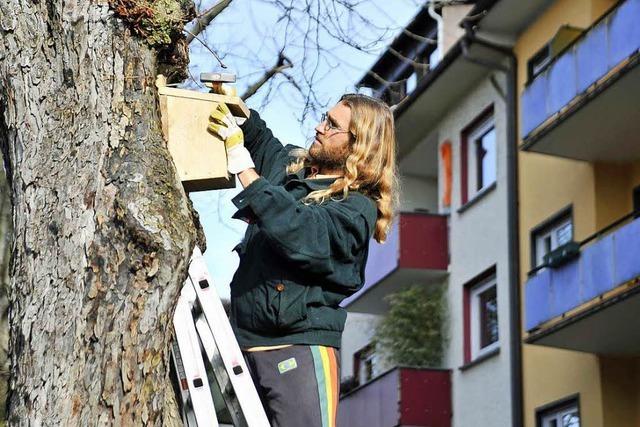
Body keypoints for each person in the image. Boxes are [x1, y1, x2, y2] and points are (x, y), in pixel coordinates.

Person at [207, 93, 398, 427]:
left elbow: (298, 230)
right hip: (244, 346)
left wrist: (243, 167)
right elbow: (263, 141)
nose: (319, 127)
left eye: (331, 125)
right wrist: (239, 110)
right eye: (325, 117)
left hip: (299, 348)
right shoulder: (295, 170)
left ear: (359, 144)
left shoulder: (356, 208)